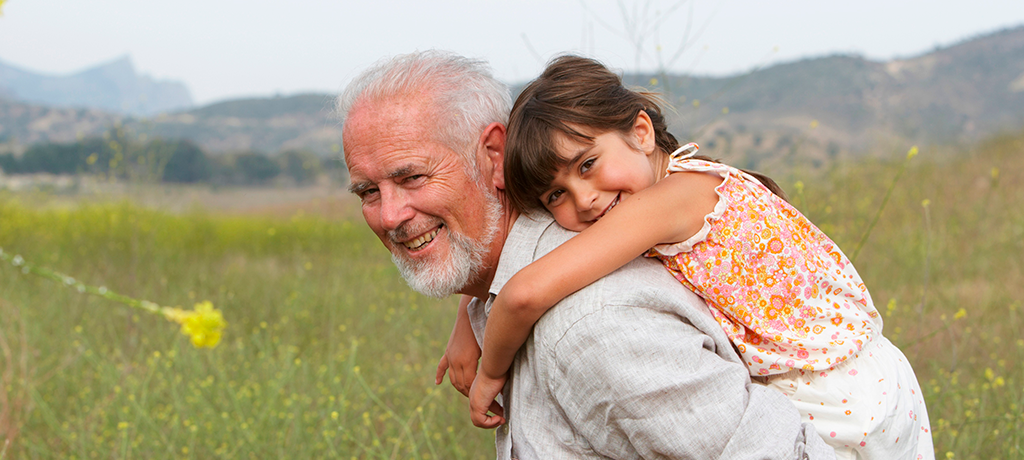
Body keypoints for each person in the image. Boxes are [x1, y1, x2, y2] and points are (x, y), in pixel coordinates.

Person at [340, 49, 836, 459]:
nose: (389, 216)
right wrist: (470, 316)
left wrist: (489, 365)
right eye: (367, 192)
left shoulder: (593, 321)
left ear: (493, 156)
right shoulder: (538, 265)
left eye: (412, 177)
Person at [457, 55, 934, 459]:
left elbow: (523, 293)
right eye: (555, 195)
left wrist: (492, 374)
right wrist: (466, 315)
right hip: (869, 373)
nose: (584, 199)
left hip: (835, 394)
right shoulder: (682, 180)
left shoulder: (665, 203)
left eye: (587, 165)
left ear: (641, 131)